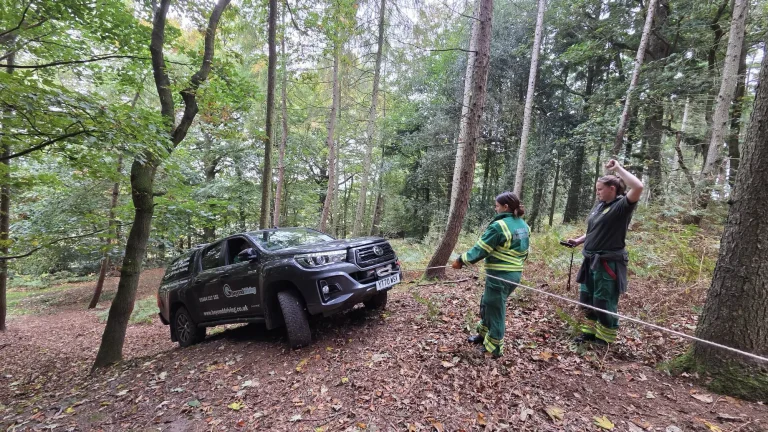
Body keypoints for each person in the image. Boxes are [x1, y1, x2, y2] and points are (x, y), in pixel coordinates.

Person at [566, 159, 643, 346]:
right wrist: (579, 240)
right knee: (587, 299)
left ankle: (604, 339)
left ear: (612, 189)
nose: (597, 192)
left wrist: (618, 168)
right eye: (597, 189)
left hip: (607, 264)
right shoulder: (600, 206)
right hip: (590, 261)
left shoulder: (621, 206)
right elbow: (594, 230)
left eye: (600, 189)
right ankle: (589, 333)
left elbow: (638, 186)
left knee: (603, 301)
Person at [452, 192, 530, 358]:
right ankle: (483, 336)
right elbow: (524, 251)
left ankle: (494, 348)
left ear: (505, 207)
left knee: (495, 310)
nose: (495, 208)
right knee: (487, 303)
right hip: (513, 275)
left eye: (496, 205)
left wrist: (461, 260)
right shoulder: (523, 225)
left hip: (500, 276)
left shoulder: (499, 226)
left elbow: (481, 249)